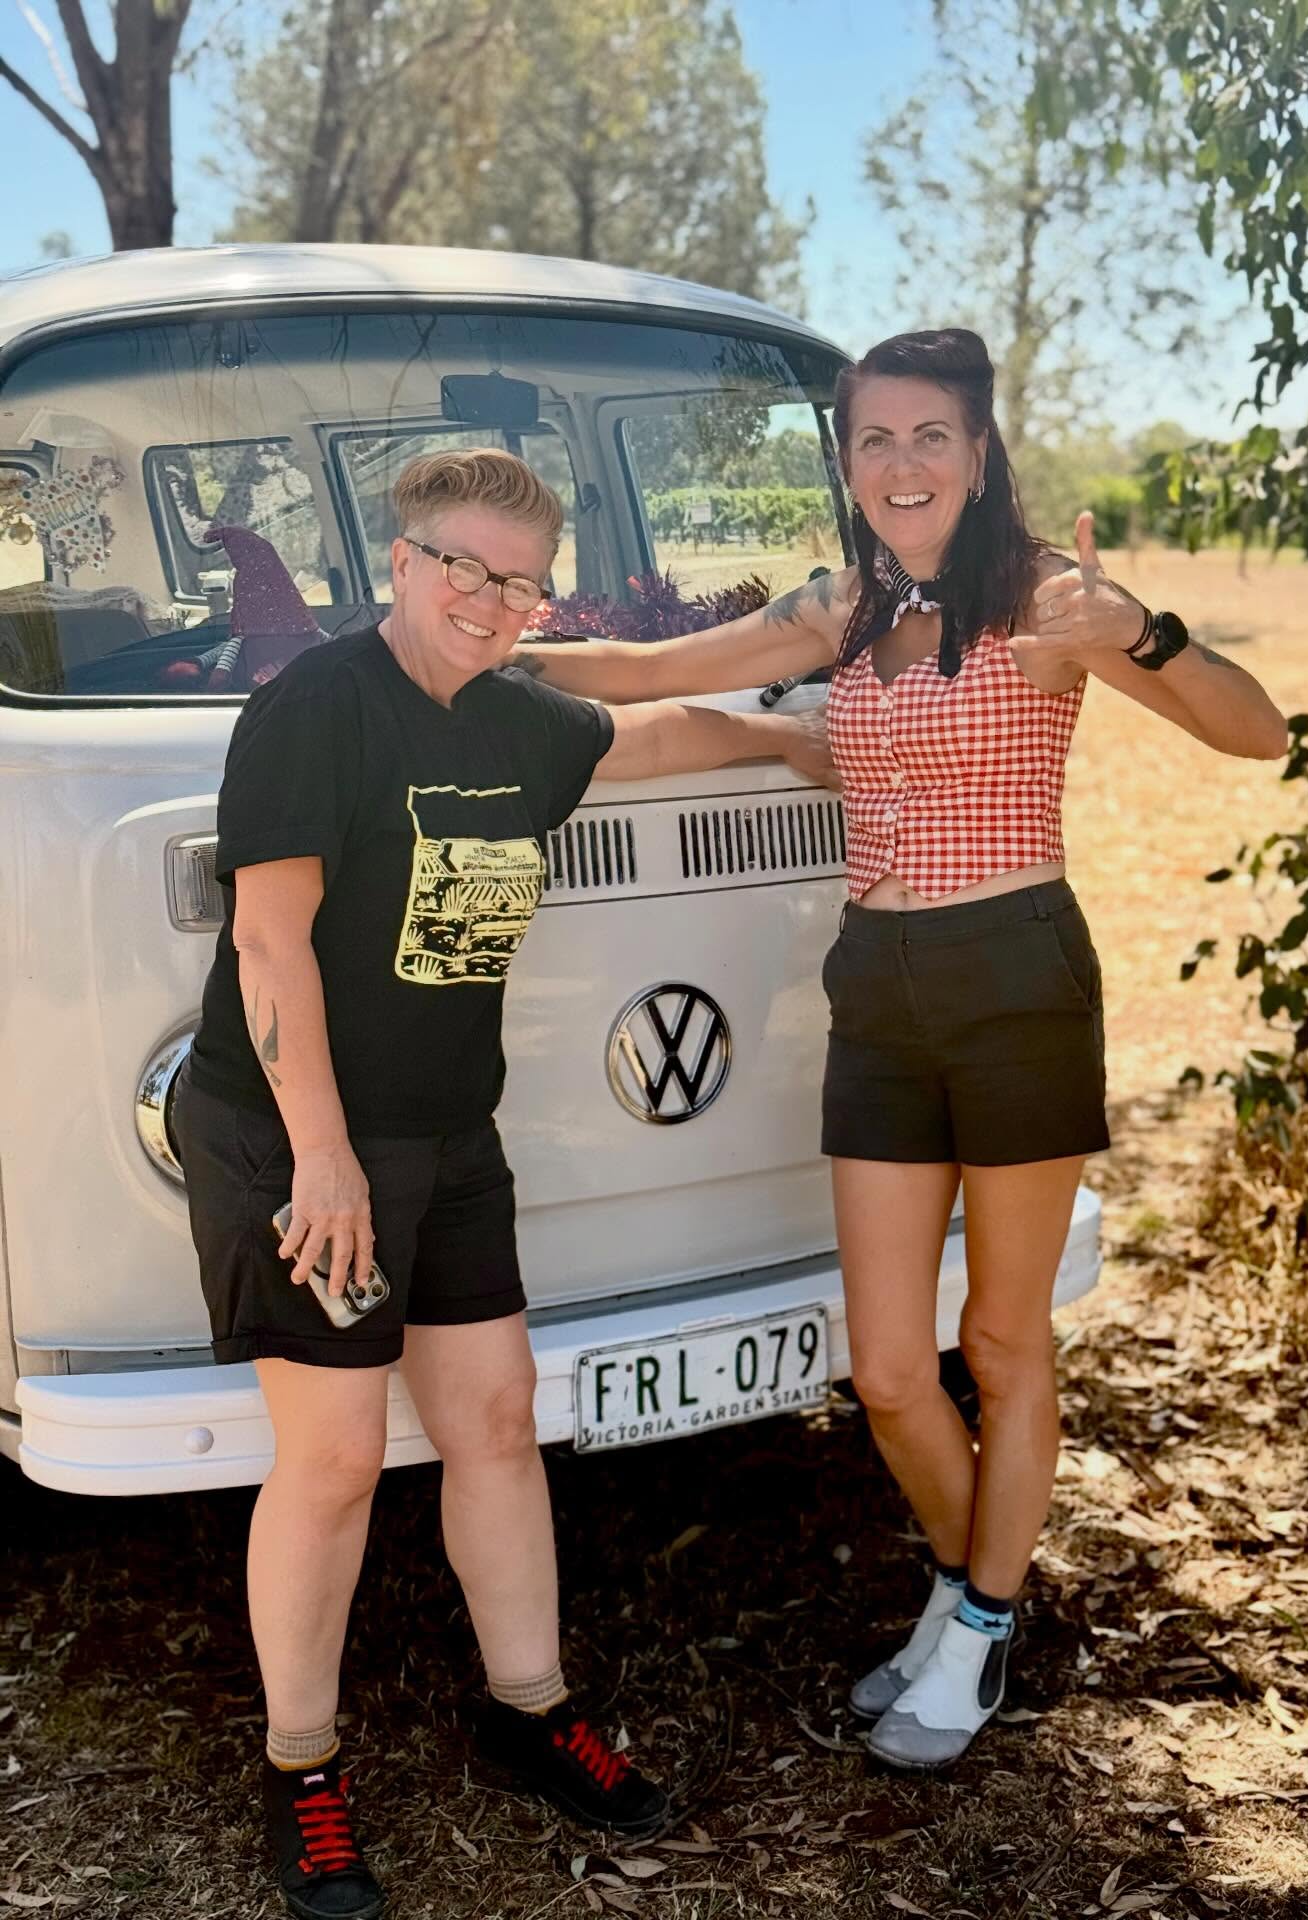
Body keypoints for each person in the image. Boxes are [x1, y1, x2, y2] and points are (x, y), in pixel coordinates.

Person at [516, 328, 1288, 1771]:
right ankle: (971, 1588)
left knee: (998, 1339)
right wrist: (456, 645)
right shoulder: (847, 607)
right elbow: (647, 668)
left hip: (1016, 977)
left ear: (981, 452)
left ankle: (983, 1625)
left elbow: (1259, 736)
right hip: (877, 980)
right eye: (875, 439)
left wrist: (1144, 634)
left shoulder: (1047, 599)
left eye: (931, 435)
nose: (902, 463)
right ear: (848, 461)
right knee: (883, 1365)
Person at [172, 447, 821, 1920]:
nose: (487, 599)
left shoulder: (528, 724)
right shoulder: (313, 711)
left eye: (519, 583)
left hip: (451, 1134)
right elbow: (269, 949)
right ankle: (302, 1768)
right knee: (334, 1459)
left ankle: (528, 1711)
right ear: (401, 562)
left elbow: (645, 747)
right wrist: (324, 1162)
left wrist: (796, 747)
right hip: (297, 1131)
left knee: (497, 1418)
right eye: (461, 567)